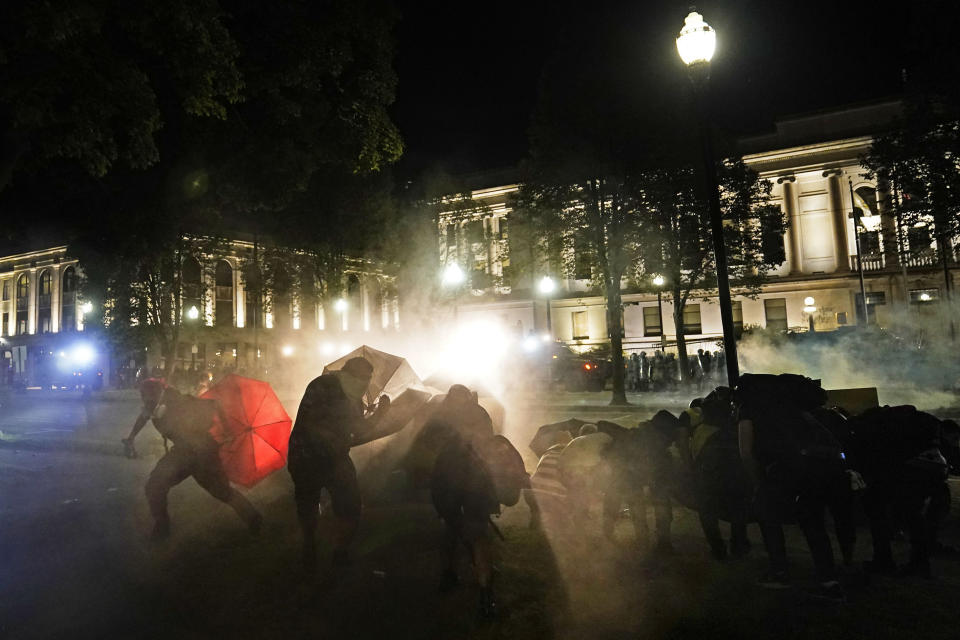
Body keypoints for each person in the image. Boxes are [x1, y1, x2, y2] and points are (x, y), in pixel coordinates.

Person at [738, 374, 847, 601]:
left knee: (767, 515)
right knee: (813, 521)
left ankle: (779, 573)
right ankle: (829, 582)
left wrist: (757, 483)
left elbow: (746, 453)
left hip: (785, 469)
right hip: (818, 470)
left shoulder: (749, 410)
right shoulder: (795, 407)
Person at [122, 378, 262, 540]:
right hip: (182, 452)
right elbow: (144, 417)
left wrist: (228, 430)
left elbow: (215, 404)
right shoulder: (152, 406)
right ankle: (162, 526)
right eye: (143, 395)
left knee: (221, 491)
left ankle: (253, 517)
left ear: (160, 392)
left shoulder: (179, 401)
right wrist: (131, 437)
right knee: (154, 486)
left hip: (203, 452)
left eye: (149, 395)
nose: (146, 399)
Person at [287, 357, 391, 574]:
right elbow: (360, 430)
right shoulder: (348, 397)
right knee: (351, 507)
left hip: (301, 454)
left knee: (307, 505)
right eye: (364, 379)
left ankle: (309, 547)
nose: (365, 384)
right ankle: (339, 553)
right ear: (354, 376)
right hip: (331, 459)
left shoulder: (319, 383)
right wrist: (381, 412)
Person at [432, 431, 528, 619]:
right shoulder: (487, 442)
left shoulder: (450, 446)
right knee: (478, 537)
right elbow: (513, 470)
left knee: (451, 528)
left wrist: (444, 508)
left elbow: (438, 477)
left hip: (449, 488)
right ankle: (486, 596)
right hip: (472, 489)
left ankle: (448, 576)